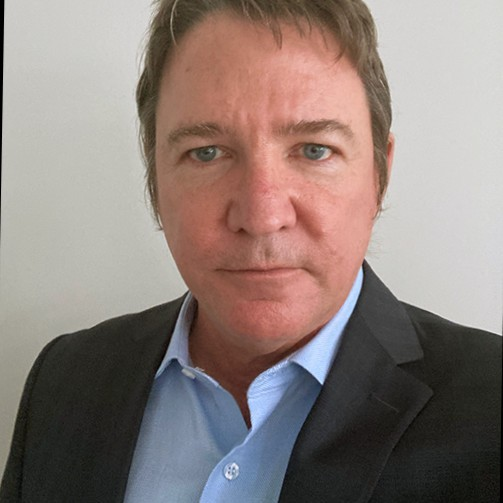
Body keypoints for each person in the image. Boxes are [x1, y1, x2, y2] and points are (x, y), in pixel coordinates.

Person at [1, 0, 500, 501]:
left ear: (379, 175)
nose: (261, 216)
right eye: (206, 153)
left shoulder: (489, 409)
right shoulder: (63, 381)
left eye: (315, 150)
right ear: (155, 180)